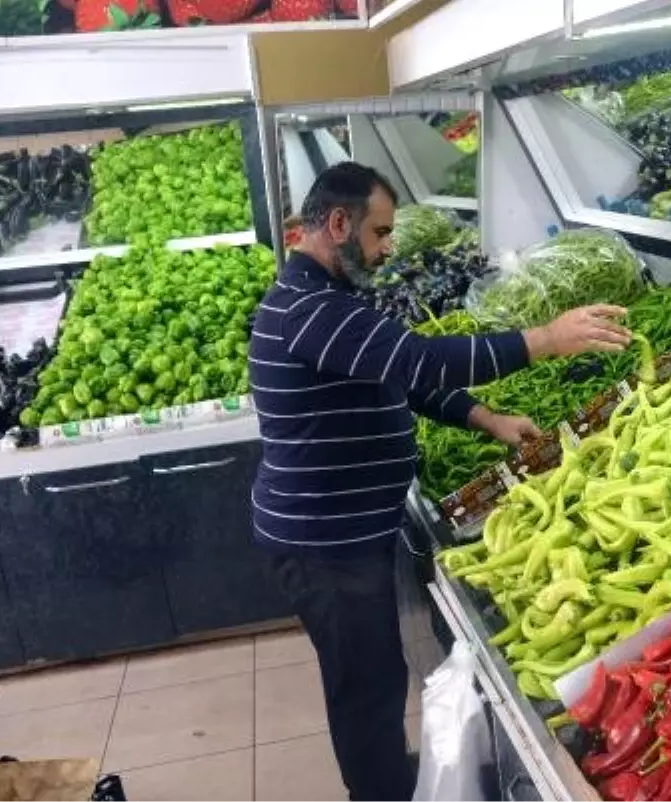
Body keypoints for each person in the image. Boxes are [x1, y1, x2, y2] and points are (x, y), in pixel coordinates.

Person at [248, 162, 631, 802]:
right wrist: (546, 339)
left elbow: (396, 376)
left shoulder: (326, 300)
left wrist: (488, 418)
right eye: (379, 232)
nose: (388, 247)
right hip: (326, 545)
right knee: (364, 688)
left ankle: (387, 783)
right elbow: (421, 358)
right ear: (338, 224)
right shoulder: (311, 309)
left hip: (338, 534)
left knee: (372, 675)